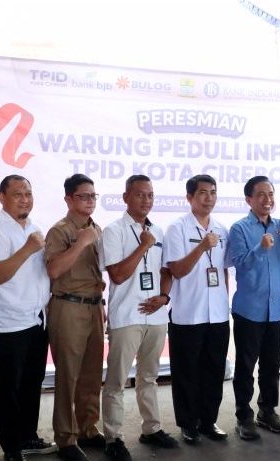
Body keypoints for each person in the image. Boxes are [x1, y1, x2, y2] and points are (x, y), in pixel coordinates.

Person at [99, 175, 178, 461]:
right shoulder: (113, 231)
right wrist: (143, 246)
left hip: (155, 316)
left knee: (149, 377)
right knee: (117, 381)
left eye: (150, 195)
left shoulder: (158, 230)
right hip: (126, 316)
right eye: (140, 195)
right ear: (126, 197)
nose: (146, 200)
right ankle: (113, 437)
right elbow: (118, 274)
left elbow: (167, 271)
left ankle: (151, 428)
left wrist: (164, 297)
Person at [0, 175, 55, 461]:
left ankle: (28, 436)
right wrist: (27, 249)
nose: (25, 199)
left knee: (32, 382)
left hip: (36, 319)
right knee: (10, 386)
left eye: (29, 193)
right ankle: (11, 447)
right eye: (17, 194)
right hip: (9, 323)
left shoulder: (33, 228)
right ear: (2, 197)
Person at [163, 174, 230, 445]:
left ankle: (208, 420)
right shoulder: (177, 228)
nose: (209, 198)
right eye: (203, 192)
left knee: (214, 369)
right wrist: (202, 247)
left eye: (213, 192)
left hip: (218, 314)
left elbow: (223, 271)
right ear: (190, 197)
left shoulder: (222, 229)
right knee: (187, 372)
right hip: (187, 314)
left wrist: (225, 301)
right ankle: (188, 424)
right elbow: (176, 270)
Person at [227, 176, 280, 440]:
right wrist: (260, 248)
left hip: (276, 308)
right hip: (249, 310)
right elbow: (238, 264)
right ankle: (244, 416)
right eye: (261, 195)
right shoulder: (239, 229)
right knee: (245, 366)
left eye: (271, 194)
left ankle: (267, 410)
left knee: (271, 365)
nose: (268, 200)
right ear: (249, 200)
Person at [45, 174, 105, 461]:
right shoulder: (60, 231)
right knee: (68, 374)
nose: (90, 201)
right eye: (83, 196)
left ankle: (88, 428)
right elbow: (54, 270)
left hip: (95, 305)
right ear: (68, 199)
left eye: (93, 196)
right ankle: (66, 438)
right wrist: (80, 243)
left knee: (92, 373)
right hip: (68, 305)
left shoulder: (98, 228)